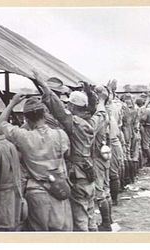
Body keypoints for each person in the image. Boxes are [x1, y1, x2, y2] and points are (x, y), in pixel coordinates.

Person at [34, 71, 108, 231]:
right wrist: (98, 98)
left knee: (80, 223)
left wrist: (43, 85)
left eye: (69, 104)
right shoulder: (93, 122)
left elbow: (58, 109)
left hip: (78, 175)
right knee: (90, 218)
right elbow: (101, 112)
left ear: (74, 106)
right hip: (89, 173)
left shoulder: (75, 124)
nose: (67, 106)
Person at [0, 95, 73, 231]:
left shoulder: (23, 136)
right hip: (58, 189)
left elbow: (0, 122)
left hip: (36, 192)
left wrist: (12, 103)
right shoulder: (61, 134)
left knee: (38, 236)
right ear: (44, 114)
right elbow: (67, 155)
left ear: (26, 118)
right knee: (61, 234)